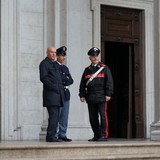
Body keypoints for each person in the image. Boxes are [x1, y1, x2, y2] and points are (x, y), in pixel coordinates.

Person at [79, 47, 113, 142]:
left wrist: (108, 94)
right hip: (90, 97)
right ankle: (96, 135)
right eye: (93, 56)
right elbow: (82, 83)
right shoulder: (87, 70)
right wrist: (81, 95)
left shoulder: (104, 68)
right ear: (90, 57)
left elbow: (109, 82)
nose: (95, 58)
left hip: (101, 96)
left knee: (102, 116)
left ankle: (103, 135)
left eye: (96, 55)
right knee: (92, 118)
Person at [39, 46, 65, 142]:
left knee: (56, 116)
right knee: (54, 116)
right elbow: (43, 78)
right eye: (51, 52)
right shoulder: (44, 64)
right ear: (47, 52)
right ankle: (51, 136)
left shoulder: (54, 64)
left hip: (58, 95)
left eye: (55, 52)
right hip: (51, 95)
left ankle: (52, 135)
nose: (54, 54)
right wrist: (54, 88)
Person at [55, 46, 74, 142]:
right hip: (58, 93)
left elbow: (71, 80)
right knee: (56, 114)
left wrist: (65, 79)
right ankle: (54, 134)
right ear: (57, 56)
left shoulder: (65, 68)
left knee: (64, 115)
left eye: (64, 56)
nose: (63, 58)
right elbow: (60, 79)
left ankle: (62, 134)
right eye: (61, 56)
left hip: (66, 93)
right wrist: (65, 79)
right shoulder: (54, 66)